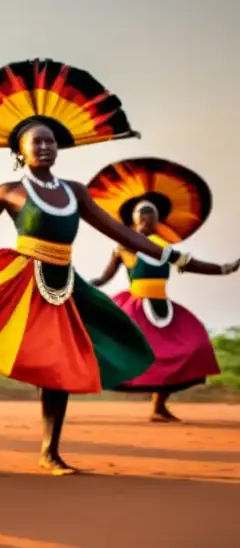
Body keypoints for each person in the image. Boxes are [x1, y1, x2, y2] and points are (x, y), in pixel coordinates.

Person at [0, 58, 235, 475]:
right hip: (22, 279)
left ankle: (49, 451)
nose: (45, 147)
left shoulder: (75, 192)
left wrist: (173, 255)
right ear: (19, 151)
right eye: (37, 142)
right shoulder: (9, 191)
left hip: (65, 283)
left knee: (59, 364)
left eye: (51, 142)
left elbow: (123, 233)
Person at [88, 157, 239, 421]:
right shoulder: (123, 248)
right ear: (133, 221)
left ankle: (159, 406)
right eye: (143, 215)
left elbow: (192, 264)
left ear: (159, 220)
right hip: (134, 305)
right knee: (108, 346)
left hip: (163, 306)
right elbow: (105, 276)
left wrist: (224, 268)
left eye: (152, 216)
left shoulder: (164, 249)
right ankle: (67, 384)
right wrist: (88, 285)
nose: (148, 219)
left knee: (192, 345)